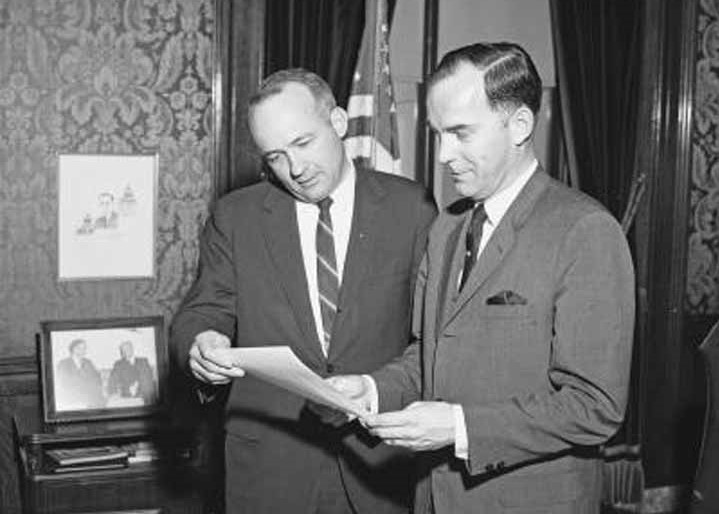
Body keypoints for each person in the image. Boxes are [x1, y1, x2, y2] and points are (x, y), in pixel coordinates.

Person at [328, 42, 636, 514]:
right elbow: (427, 356)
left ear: (520, 125)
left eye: (461, 133)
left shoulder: (584, 230)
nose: (444, 154)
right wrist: (370, 389)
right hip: (433, 497)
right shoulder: (446, 226)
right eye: (437, 134)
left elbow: (594, 406)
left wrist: (460, 427)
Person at [170, 68, 437, 514]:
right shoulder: (237, 217)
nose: (294, 169)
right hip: (270, 470)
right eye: (275, 156)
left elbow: (433, 337)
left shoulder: (413, 209)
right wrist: (201, 344)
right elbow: (201, 312)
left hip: (380, 463)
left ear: (337, 122)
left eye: (302, 143)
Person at [55, 338, 105, 410]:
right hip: (72, 394)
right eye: (80, 348)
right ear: (73, 349)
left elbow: (97, 377)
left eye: (84, 348)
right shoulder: (63, 363)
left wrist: (96, 386)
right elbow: (64, 382)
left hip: (91, 394)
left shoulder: (88, 362)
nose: (83, 350)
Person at [107, 340, 156, 405]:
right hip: (127, 397)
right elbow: (112, 381)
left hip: (144, 395)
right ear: (122, 353)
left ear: (132, 349)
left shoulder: (143, 361)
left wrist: (138, 387)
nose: (126, 351)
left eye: (128, 348)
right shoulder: (118, 364)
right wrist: (113, 393)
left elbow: (149, 378)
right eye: (124, 350)